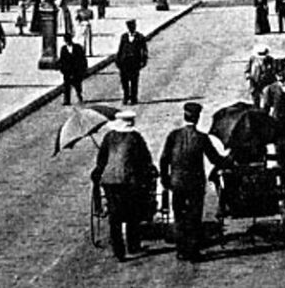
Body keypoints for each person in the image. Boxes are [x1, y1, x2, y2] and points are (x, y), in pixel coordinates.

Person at [158, 101, 227, 261]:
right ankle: (194, 252)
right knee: (194, 217)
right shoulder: (202, 138)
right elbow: (215, 159)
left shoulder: (173, 135)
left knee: (179, 216)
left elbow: (164, 159)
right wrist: (229, 160)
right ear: (197, 119)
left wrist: (165, 178)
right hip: (195, 184)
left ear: (185, 116)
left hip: (177, 183)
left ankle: (181, 250)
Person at [91, 108, 155, 261]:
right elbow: (145, 160)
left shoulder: (109, 137)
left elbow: (101, 161)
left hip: (110, 181)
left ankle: (118, 251)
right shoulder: (135, 138)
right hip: (130, 182)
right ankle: (133, 246)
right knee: (133, 213)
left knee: (114, 216)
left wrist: (99, 173)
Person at [115, 19, 148, 105]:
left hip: (134, 62)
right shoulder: (124, 37)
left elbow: (144, 50)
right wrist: (118, 60)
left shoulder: (140, 37)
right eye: (129, 27)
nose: (131, 28)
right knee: (124, 81)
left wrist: (143, 61)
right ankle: (126, 97)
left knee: (134, 81)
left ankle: (134, 98)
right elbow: (120, 49)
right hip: (124, 62)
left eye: (133, 26)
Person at [59, 32, 88, 105]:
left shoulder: (78, 47)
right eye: (66, 40)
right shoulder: (63, 49)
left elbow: (82, 59)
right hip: (67, 71)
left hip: (76, 70)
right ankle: (67, 100)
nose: (67, 42)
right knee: (66, 86)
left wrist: (83, 69)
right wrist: (62, 69)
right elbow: (62, 60)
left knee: (77, 85)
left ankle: (79, 96)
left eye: (68, 40)